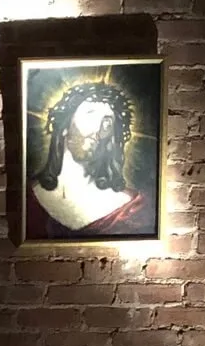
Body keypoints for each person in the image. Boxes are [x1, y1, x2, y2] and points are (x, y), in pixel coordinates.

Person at [25, 79, 149, 240]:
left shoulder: (132, 208)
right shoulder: (28, 199)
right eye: (91, 114)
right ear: (64, 127)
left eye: (107, 122)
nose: (98, 129)